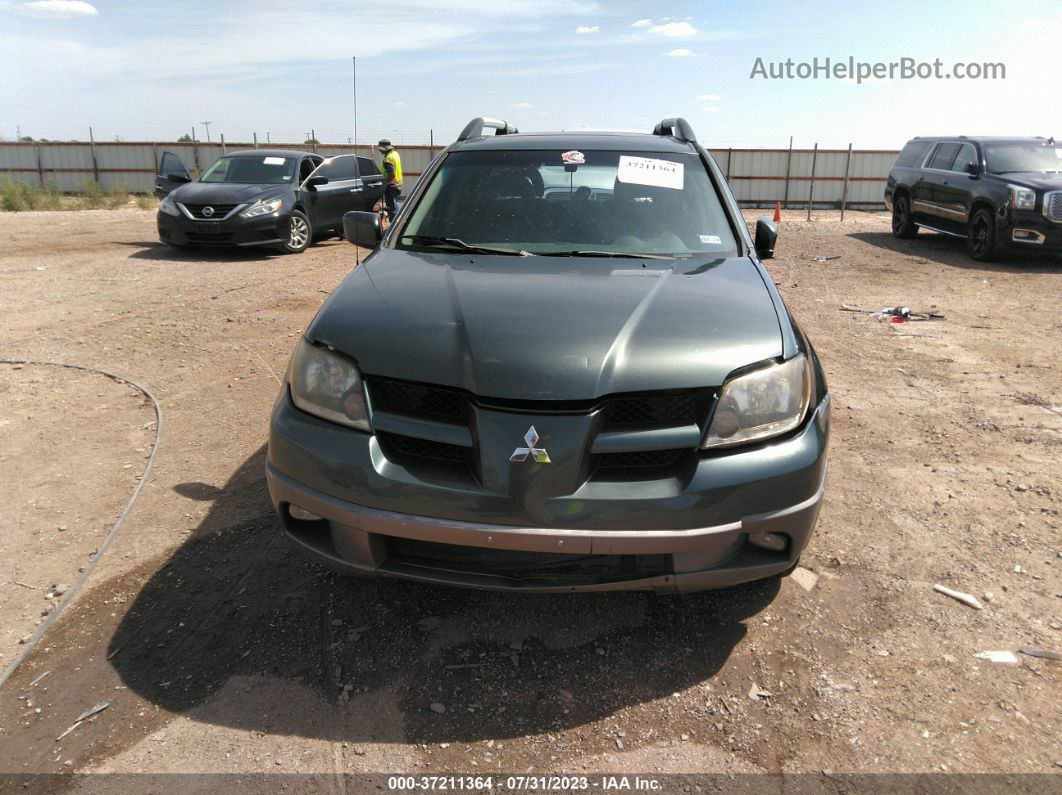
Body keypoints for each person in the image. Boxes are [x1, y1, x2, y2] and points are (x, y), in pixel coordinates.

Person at [377, 138, 403, 221]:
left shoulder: (389, 158)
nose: (380, 151)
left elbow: (392, 174)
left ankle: (395, 226)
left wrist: (384, 182)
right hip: (397, 185)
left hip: (391, 185)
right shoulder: (395, 154)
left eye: (380, 149)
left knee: (393, 209)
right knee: (394, 206)